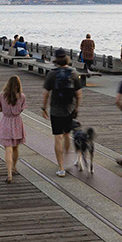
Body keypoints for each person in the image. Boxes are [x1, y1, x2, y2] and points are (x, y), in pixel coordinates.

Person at [41, 49, 82, 177]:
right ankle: (67, 158)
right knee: (67, 134)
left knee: (58, 137)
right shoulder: (74, 73)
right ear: (67, 59)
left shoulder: (52, 74)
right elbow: (79, 94)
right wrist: (76, 108)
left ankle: (61, 167)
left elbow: (46, 93)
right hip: (69, 109)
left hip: (56, 110)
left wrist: (44, 108)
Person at [0, 76, 27, 183]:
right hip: (17, 123)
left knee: (8, 150)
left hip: (6, 123)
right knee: (16, 148)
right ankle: (14, 167)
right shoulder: (22, 96)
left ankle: (9, 175)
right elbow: (21, 109)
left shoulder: (2, 95)